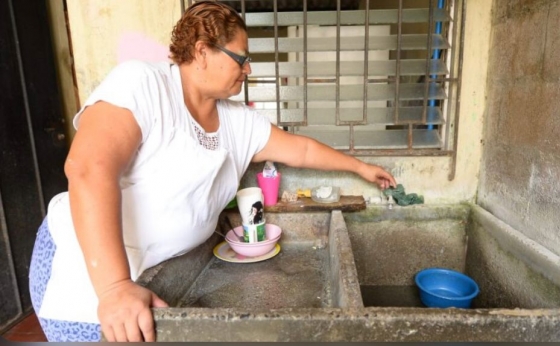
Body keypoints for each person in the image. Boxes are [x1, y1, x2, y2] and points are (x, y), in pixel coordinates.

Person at [28, 1, 397, 342]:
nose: (248, 68)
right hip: (91, 284)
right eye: (241, 58)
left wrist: (360, 167)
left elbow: (300, 149)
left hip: (153, 276)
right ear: (202, 51)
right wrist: (114, 287)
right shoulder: (143, 84)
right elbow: (89, 169)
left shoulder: (238, 122)